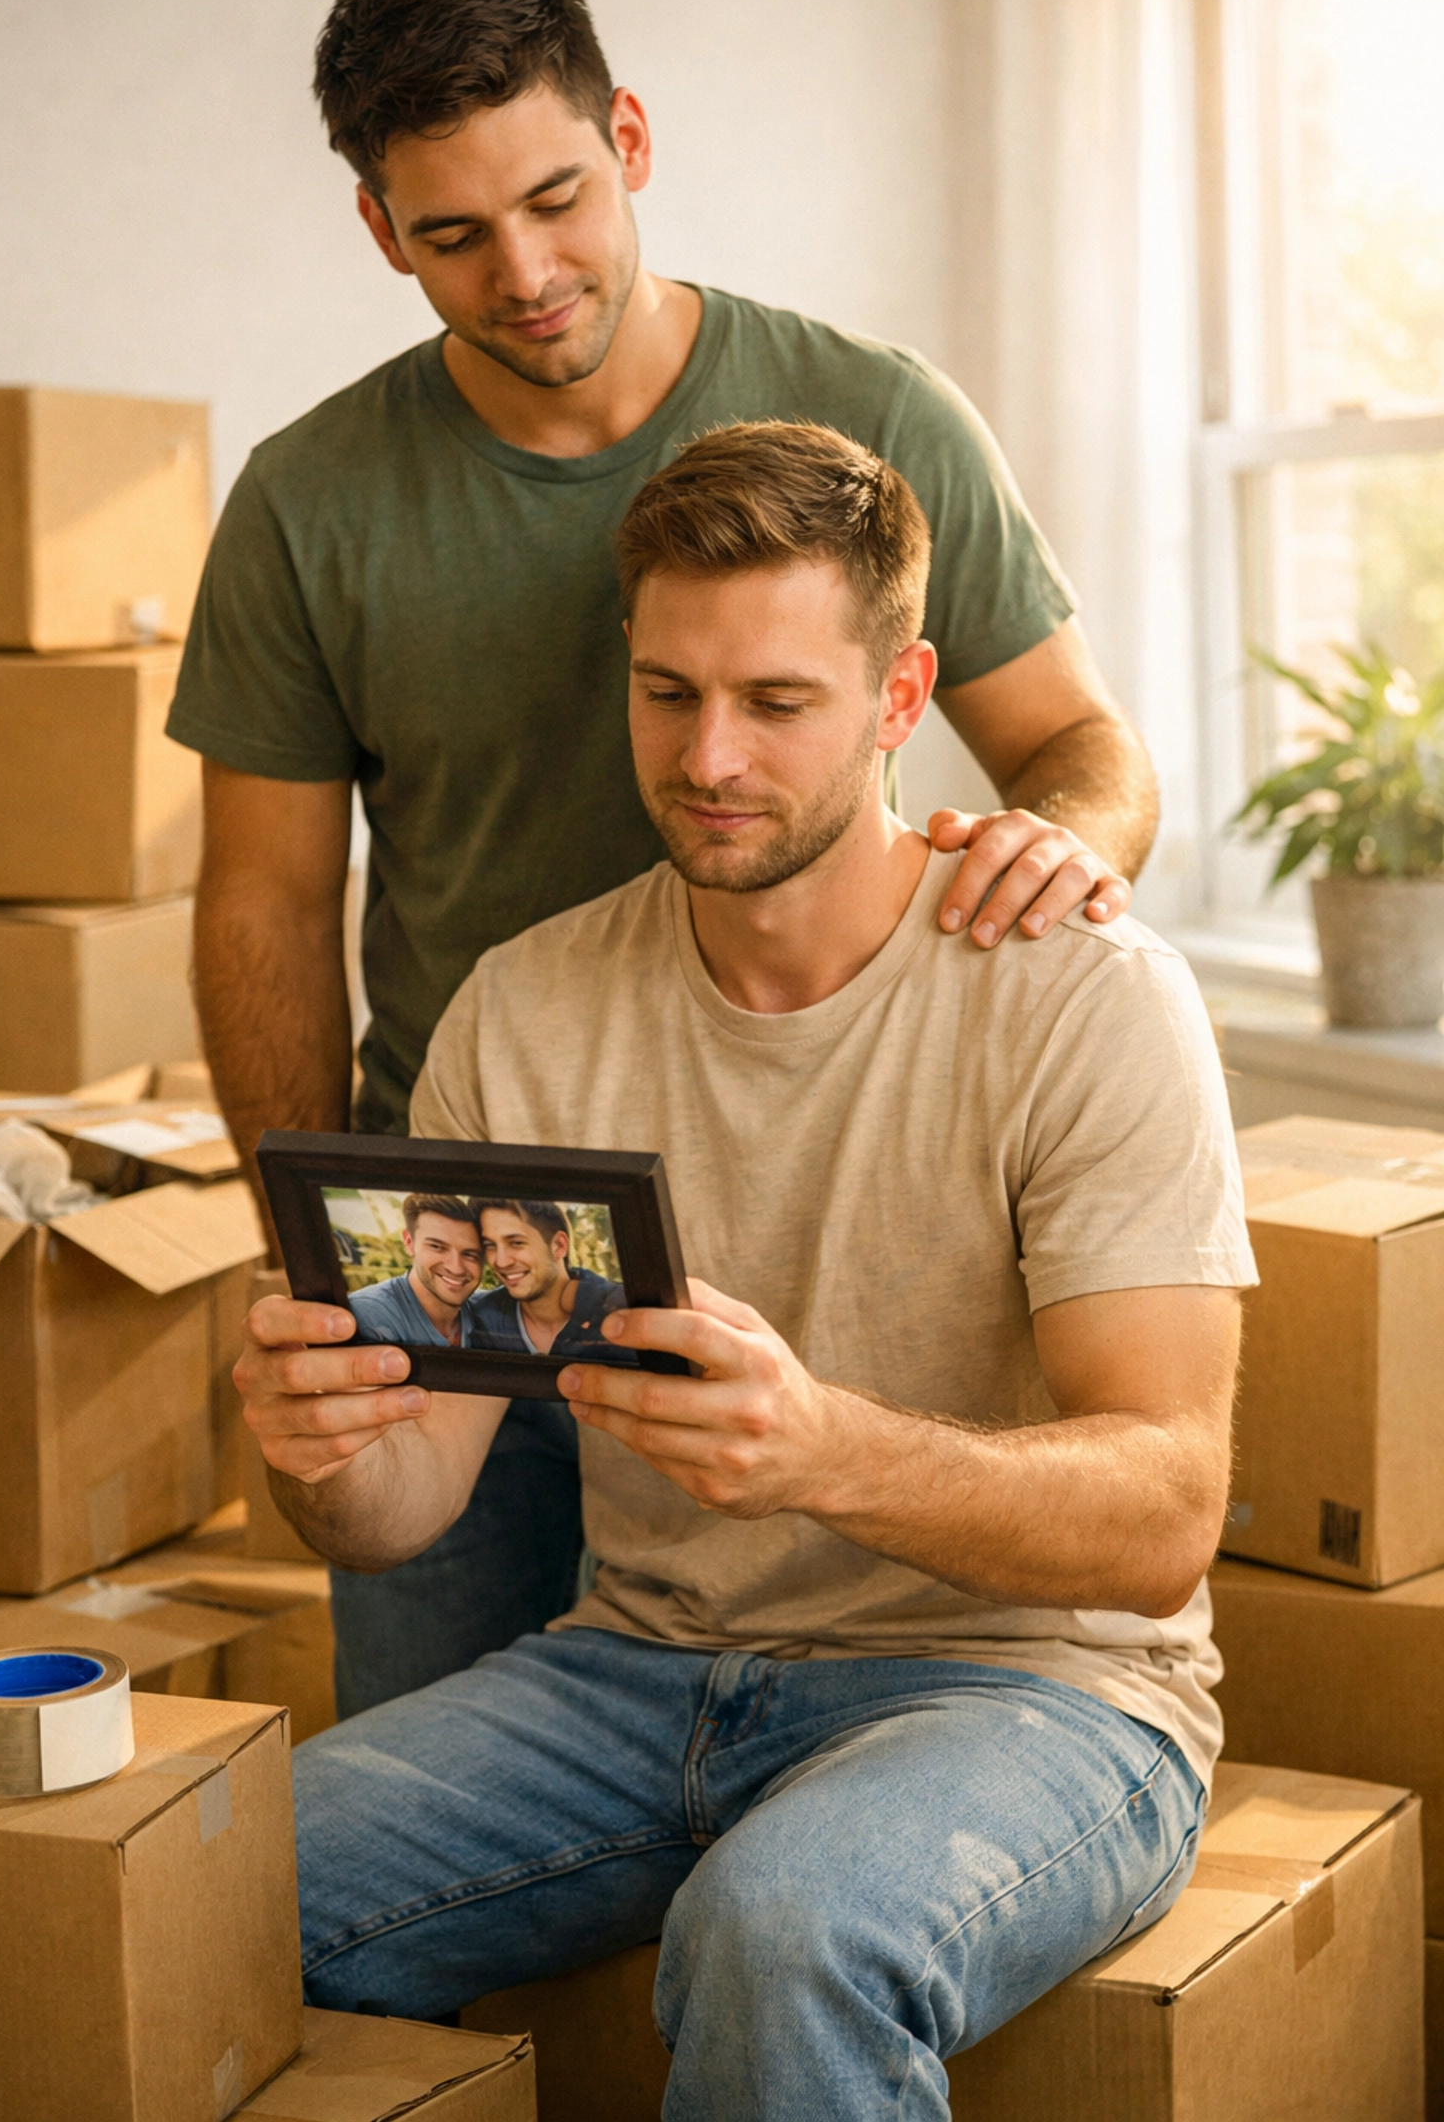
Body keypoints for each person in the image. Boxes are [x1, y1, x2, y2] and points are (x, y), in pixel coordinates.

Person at [173, 0, 1164, 1711]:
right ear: (379, 231)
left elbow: (1079, 745)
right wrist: (326, 1266)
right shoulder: (309, 504)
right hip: (465, 1248)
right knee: (440, 1838)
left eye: (556, 197)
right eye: (453, 234)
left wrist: (1069, 842)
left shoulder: (873, 415)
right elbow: (261, 908)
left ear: (628, 137)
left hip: (811, 1236)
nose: (527, 270)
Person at [236, 423, 1253, 2121]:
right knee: (194, 1877)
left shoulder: (1086, 993)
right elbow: (402, 1505)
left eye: (777, 702)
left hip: (1035, 1687)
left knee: (781, 1928)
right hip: (635, 1666)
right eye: (666, 692)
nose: (708, 755)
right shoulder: (525, 1007)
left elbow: (1163, 1513)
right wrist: (321, 1451)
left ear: (898, 693)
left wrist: (826, 1449)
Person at [468, 1199, 624, 1357]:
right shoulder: (480, 1318)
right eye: (490, 1245)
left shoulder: (616, 1310)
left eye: (516, 1243)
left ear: (559, 1245)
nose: (501, 1262)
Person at [347, 1194, 483, 1347]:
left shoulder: (488, 1312)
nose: (456, 1268)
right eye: (437, 1247)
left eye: (470, 1254)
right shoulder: (369, 1314)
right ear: (409, 1242)